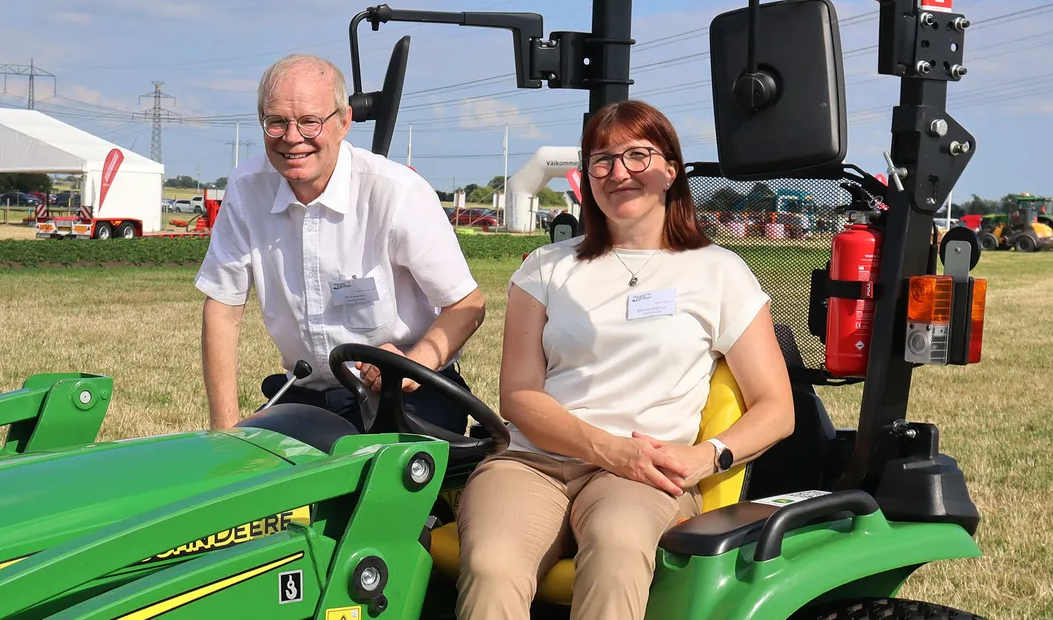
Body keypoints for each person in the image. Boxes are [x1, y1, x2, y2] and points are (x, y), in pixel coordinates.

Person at [454, 100, 795, 620]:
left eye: (639, 156)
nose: (620, 173)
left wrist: (707, 458)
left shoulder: (718, 272)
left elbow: (777, 407)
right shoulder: (546, 267)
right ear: (586, 176)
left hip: (644, 476)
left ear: (670, 170)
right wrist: (611, 449)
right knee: (491, 564)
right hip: (532, 461)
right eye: (602, 160)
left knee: (615, 551)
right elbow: (519, 397)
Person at [194, 53, 486, 435]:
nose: (292, 138)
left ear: (344, 121)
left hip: (408, 395)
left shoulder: (396, 193)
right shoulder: (247, 188)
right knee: (261, 482)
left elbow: (468, 305)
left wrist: (414, 364)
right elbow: (223, 309)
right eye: (277, 123)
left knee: (375, 485)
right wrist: (225, 430)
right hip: (309, 393)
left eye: (310, 122)